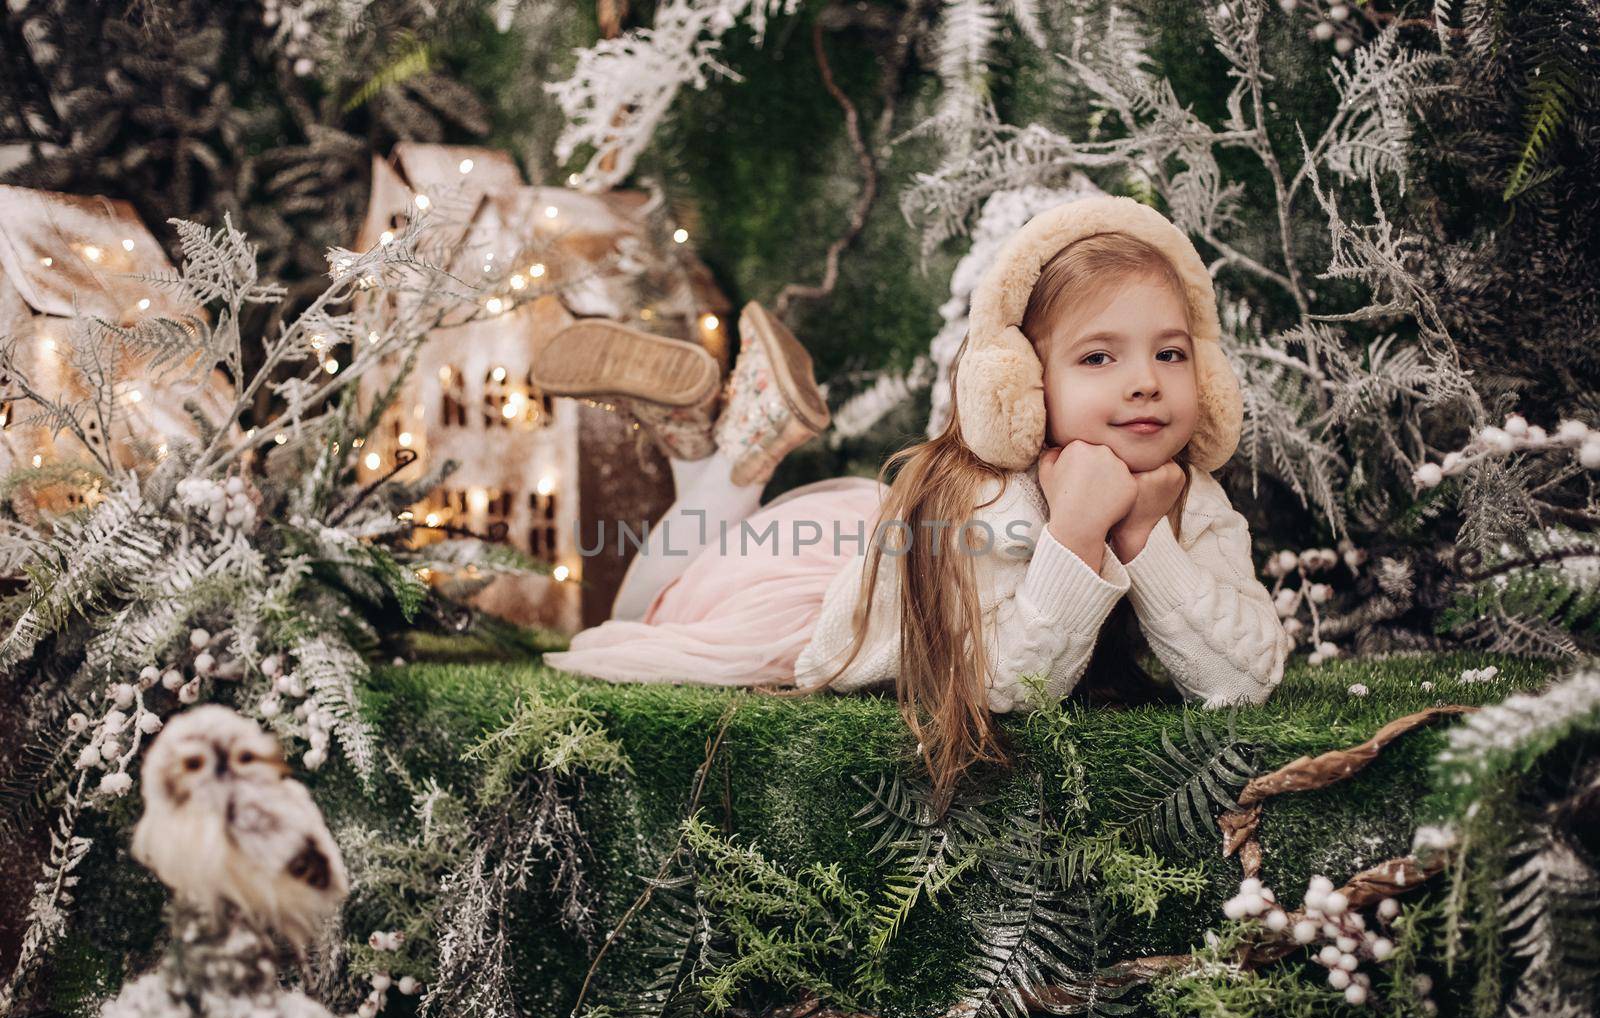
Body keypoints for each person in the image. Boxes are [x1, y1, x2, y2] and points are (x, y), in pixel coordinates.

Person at [537, 196, 1290, 811]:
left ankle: (715, 441)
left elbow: (1242, 681)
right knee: (646, 615)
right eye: (1099, 356)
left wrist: (1143, 537)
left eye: (1171, 352)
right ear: (1020, 383)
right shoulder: (991, 497)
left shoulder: (1186, 495)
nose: (1146, 381)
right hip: (825, 587)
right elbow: (1008, 686)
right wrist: (1078, 529)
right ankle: (723, 461)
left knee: (665, 596)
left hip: (872, 538)